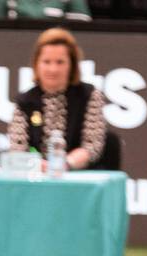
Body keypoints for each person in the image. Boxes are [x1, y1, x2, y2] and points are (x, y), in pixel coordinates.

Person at [6, 28, 107, 173]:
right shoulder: (24, 101)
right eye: (46, 62)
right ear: (36, 64)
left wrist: (65, 164)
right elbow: (17, 149)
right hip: (36, 177)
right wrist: (36, 164)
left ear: (71, 65)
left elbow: (92, 146)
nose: (53, 69)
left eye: (60, 62)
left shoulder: (90, 95)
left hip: (78, 178)